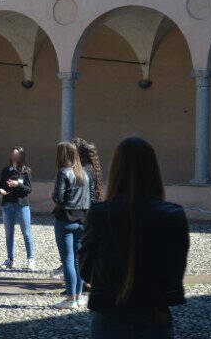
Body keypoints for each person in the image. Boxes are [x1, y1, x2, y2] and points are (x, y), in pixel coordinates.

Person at [79, 137, 189, 338]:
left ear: (116, 170)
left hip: (110, 315)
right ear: (153, 170)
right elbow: (174, 273)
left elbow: (85, 270)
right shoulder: (173, 215)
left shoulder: (100, 214)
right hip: (154, 315)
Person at [53, 138, 102, 280]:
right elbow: (91, 196)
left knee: (70, 257)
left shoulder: (76, 172)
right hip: (83, 215)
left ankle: (72, 293)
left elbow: (60, 198)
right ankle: (77, 288)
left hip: (71, 216)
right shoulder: (89, 171)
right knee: (76, 255)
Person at [52, 141, 91, 309]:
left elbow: (59, 198)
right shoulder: (85, 174)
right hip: (82, 220)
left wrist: (52, 194)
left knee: (68, 259)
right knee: (78, 260)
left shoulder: (63, 173)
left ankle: (70, 299)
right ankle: (79, 296)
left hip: (65, 220)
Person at [0, 146, 35, 271]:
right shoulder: (5, 171)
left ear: (21, 156)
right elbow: (1, 186)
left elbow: (29, 189)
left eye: (16, 155)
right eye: (12, 154)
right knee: (9, 233)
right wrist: (1, 190)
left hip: (22, 205)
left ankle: (31, 259)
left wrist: (18, 184)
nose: (14, 157)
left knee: (27, 232)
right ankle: (10, 259)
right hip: (7, 204)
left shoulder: (26, 171)